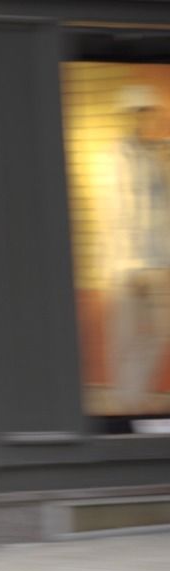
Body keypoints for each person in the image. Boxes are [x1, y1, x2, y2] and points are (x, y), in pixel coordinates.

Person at [108, 85, 170, 413]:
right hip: (130, 264)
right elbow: (121, 212)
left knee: (161, 333)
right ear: (136, 117)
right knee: (128, 336)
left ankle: (135, 394)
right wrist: (132, 265)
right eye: (150, 114)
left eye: (158, 115)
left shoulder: (158, 153)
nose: (156, 121)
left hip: (160, 261)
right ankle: (128, 400)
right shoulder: (121, 155)